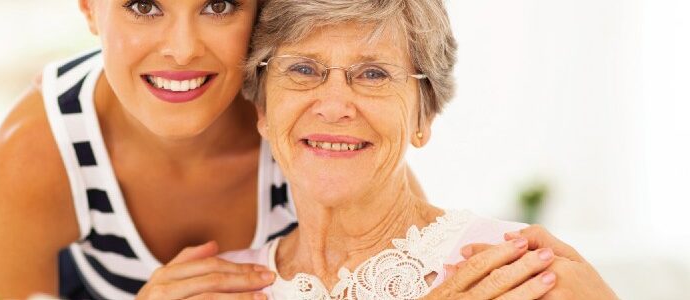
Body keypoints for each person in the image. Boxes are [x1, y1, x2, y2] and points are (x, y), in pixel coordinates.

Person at [0, 0, 615, 299]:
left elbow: (392, 223)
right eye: (304, 72)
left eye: (373, 74)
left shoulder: (503, 272)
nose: (182, 49)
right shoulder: (38, 151)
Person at [218, 0, 618, 299]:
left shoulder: (512, 271)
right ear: (263, 111)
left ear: (423, 117)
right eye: (303, 69)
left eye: (373, 73)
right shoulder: (216, 285)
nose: (335, 106)